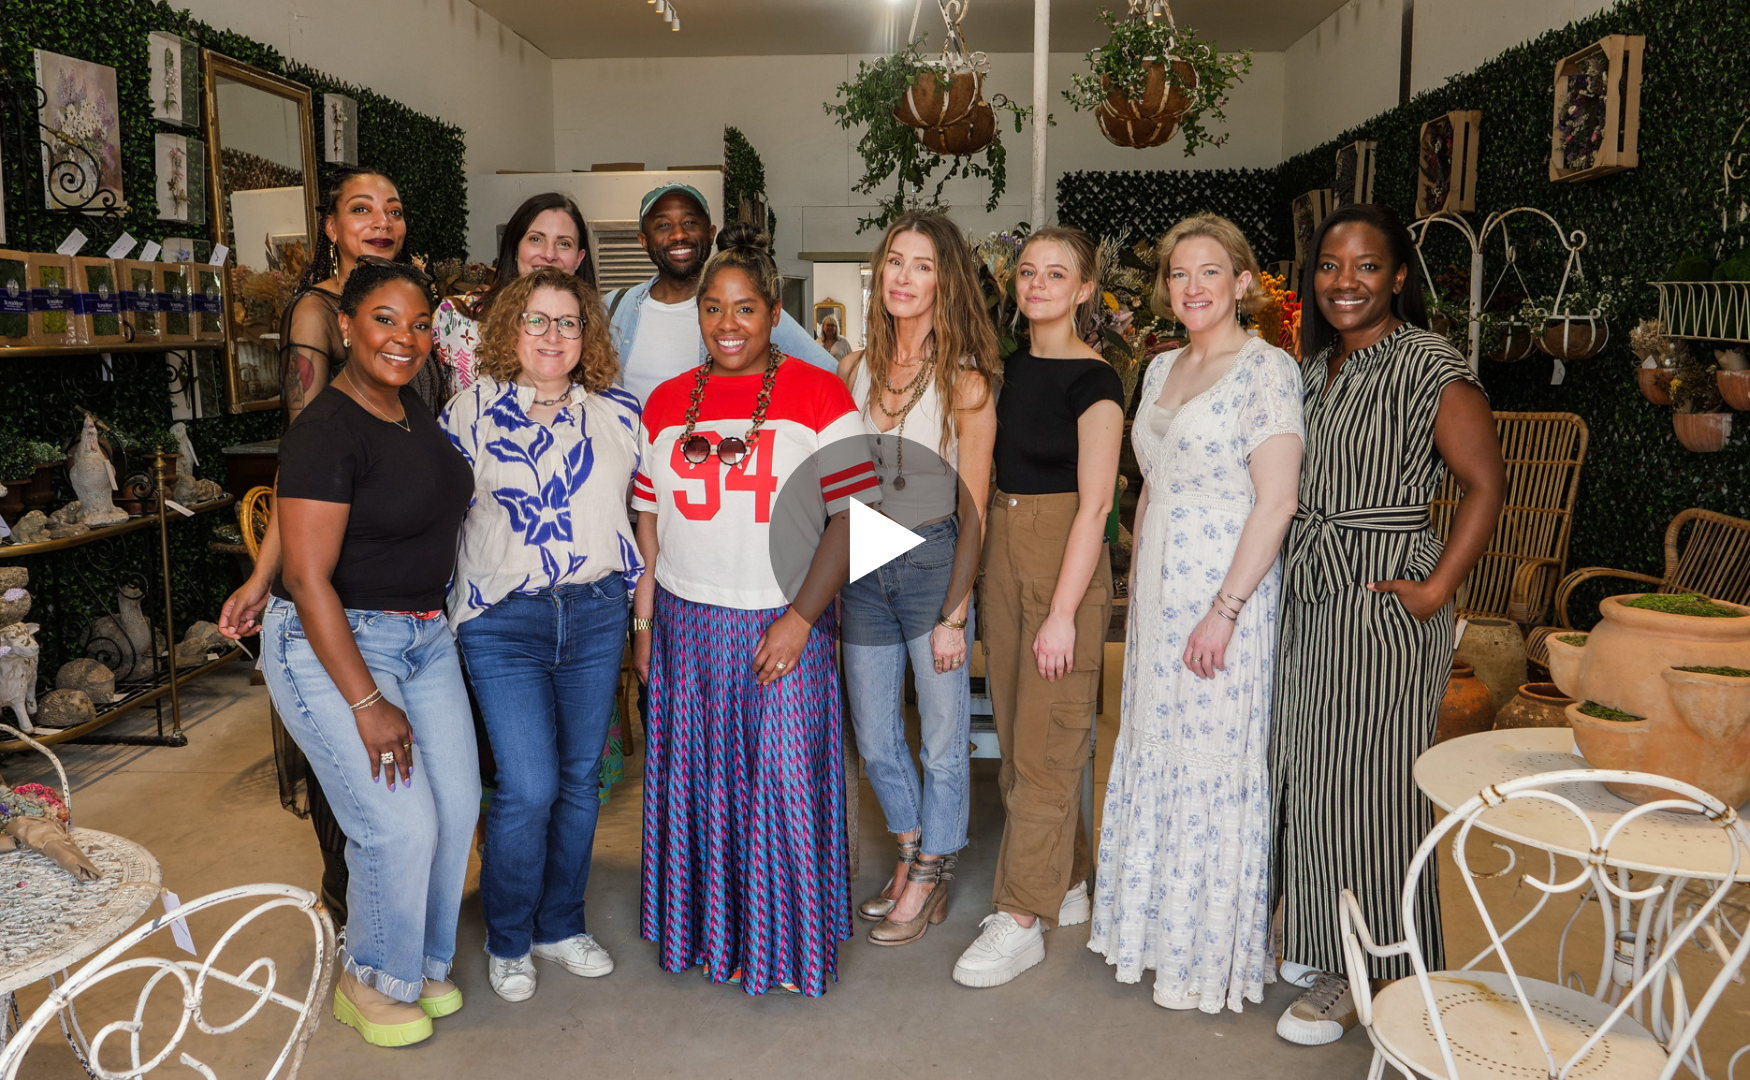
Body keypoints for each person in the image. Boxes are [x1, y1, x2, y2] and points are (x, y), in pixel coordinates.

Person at [1271, 203, 1503, 1046]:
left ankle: (1375, 968)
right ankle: (1321, 935)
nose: (1345, 282)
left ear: (1399, 275)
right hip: (1307, 587)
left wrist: (1438, 588)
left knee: (1373, 788)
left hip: (1381, 594)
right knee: (1306, 770)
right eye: (1331, 266)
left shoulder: (1430, 365)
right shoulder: (1313, 367)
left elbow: (1485, 485)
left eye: (1366, 266)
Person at [630, 222, 878, 996]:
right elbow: (648, 519)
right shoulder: (668, 403)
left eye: (744, 308)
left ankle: (779, 946)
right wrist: (644, 620)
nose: (727, 324)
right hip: (686, 623)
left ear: (775, 312)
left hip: (782, 618)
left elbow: (853, 517)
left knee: (778, 787)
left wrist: (803, 617)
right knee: (699, 787)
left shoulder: (818, 393)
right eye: (712, 308)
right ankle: (709, 933)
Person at [1088, 214, 1304, 1013]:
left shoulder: (1267, 370)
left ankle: (1206, 947)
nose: (1192, 287)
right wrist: (1132, 583)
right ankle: (1149, 932)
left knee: (1209, 760)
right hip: (1155, 598)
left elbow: (1277, 501)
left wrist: (1225, 610)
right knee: (1153, 748)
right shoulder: (1159, 370)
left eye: (1210, 272)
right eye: (1179, 274)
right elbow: (1149, 488)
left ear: (1243, 283)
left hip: (1225, 599)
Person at [261, 259, 479, 1047]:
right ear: (347, 325)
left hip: (426, 636)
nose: (406, 338)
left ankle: (416, 962)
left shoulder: (410, 408)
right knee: (397, 826)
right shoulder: (326, 427)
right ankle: (366, 978)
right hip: (335, 644)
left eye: (420, 324)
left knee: (456, 810)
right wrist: (365, 701)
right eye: (386, 319)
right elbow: (308, 576)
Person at [441, 269, 640, 1002]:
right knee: (528, 786)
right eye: (536, 320)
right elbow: (433, 515)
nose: (552, 336)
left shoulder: (621, 413)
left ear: (587, 334)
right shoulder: (470, 412)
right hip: (504, 622)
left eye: (567, 322)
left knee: (581, 783)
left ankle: (561, 925)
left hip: (594, 615)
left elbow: (652, 512)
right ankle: (509, 935)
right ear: (508, 331)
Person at [220, 167, 410, 925]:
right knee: (349, 742)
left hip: (405, 550)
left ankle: (391, 898)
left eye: (392, 210)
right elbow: (303, 457)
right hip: (343, 551)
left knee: (398, 743)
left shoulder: (408, 311)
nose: (380, 221)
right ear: (330, 226)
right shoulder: (318, 311)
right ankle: (350, 907)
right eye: (360, 209)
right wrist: (272, 572)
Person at [953, 227, 1124, 989]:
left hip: (1066, 563)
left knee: (1049, 747)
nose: (1040, 284)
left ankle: (1022, 916)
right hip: (1002, 559)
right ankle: (1072, 878)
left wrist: (1063, 612)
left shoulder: (1098, 382)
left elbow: (1095, 509)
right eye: (1029, 272)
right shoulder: (1001, 371)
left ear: (1085, 289)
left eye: (1058, 273)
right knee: (1027, 744)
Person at [839, 212, 996, 947]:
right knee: (873, 735)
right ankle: (907, 855)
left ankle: (932, 872)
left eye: (921, 265)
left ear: (946, 279)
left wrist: (956, 613)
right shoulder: (858, 367)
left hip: (935, 561)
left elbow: (975, 509)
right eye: (894, 262)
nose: (903, 277)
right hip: (866, 565)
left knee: (940, 738)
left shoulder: (965, 381)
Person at [606, 183, 837, 405]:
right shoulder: (615, 307)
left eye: (689, 222)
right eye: (663, 225)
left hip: (714, 444)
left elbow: (830, 372)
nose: (678, 235)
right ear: (644, 241)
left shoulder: (752, 312)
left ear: (710, 233)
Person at [434, 192, 590, 394]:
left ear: (579, 258)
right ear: (515, 249)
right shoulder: (458, 318)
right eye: (536, 239)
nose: (549, 254)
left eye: (563, 243)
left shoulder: (593, 329)